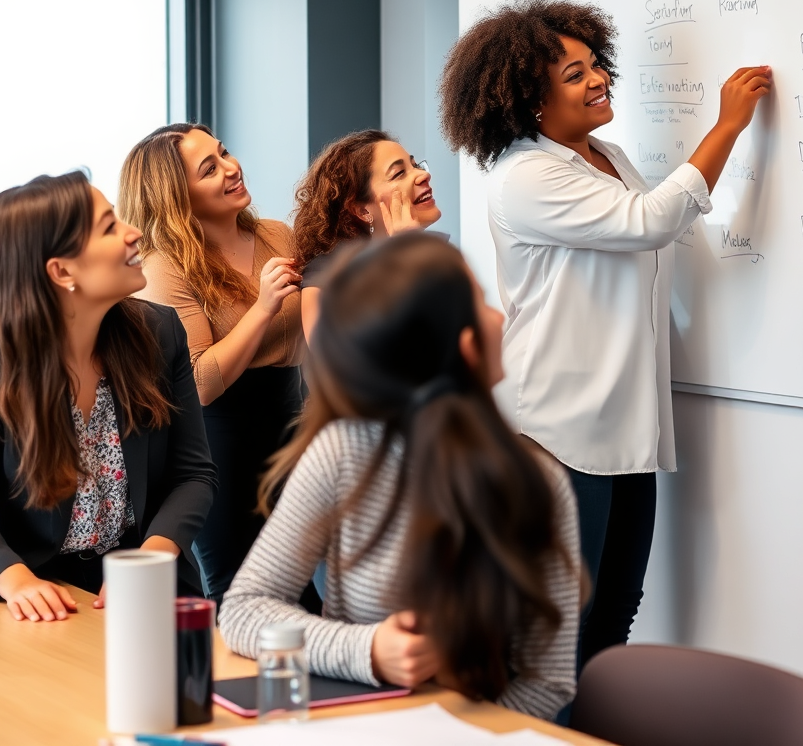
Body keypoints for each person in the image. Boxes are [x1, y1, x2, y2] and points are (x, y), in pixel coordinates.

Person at [439, 0, 771, 669]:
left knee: (614, 614)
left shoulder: (608, 155)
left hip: (626, 425)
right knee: (560, 627)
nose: (599, 81)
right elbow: (651, 221)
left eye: (597, 65)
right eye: (575, 75)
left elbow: (649, 228)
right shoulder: (525, 176)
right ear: (532, 101)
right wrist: (728, 126)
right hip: (560, 432)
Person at [219, 233, 581, 720]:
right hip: (357, 724)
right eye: (481, 302)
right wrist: (368, 649)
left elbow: (547, 683)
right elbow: (244, 609)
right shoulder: (343, 453)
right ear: (466, 351)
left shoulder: (537, 483)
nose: (500, 316)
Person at [0, 172, 217, 621]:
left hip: (149, 584)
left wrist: (151, 559)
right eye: (109, 226)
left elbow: (194, 475)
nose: (135, 233)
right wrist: (15, 580)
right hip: (40, 598)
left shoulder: (160, 332)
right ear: (62, 271)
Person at [118, 124, 304, 603]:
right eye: (209, 169)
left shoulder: (277, 236)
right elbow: (199, 382)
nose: (231, 167)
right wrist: (263, 308)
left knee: (305, 589)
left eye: (224, 153)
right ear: (176, 197)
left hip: (295, 420)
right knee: (236, 585)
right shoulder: (166, 268)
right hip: (221, 437)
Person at [292, 130, 442, 345]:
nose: (423, 175)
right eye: (399, 173)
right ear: (362, 211)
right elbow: (340, 368)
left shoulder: (432, 257)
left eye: (415, 166)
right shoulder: (325, 279)